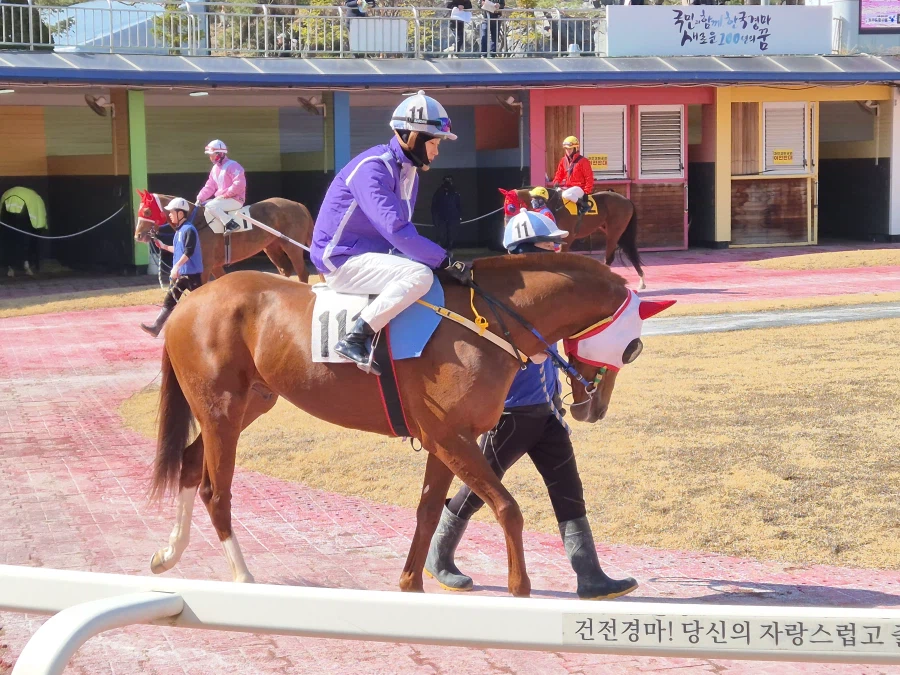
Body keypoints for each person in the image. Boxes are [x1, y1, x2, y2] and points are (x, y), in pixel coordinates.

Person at [424, 207, 639, 601]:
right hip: (510, 415)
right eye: (549, 243)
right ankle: (437, 553)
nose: (557, 249)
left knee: (568, 490)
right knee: (478, 489)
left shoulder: (547, 296)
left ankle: (589, 574)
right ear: (525, 249)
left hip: (546, 411)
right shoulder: (502, 301)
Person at [310, 90, 471, 375]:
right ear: (413, 138)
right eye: (434, 143)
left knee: (424, 270)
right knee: (419, 275)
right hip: (340, 260)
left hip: (367, 253)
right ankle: (356, 336)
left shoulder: (407, 172)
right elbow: (397, 230)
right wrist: (444, 260)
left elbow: (399, 233)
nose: (436, 151)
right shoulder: (372, 168)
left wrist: (437, 260)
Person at [140, 198, 204, 337]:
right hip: (183, 274)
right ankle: (156, 328)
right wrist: (163, 246)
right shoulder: (180, 230)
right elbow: (179, 249)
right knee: (172, 300)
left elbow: (189, 251)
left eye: (172, 212)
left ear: (180, 214)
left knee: (199, 303)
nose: (169, 215)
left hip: (190, 274)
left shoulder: (189, 230)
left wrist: (176, 267)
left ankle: (205, 328)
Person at [196, 140, 246, 234]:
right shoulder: (214, 169)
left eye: (212, 154)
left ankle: (231, 224)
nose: (210, 157)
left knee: (210, 206)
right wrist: (200, 198)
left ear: (220, 154)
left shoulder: (234, 165)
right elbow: (209, 186)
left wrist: (226, 195)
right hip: (223, 199)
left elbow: (239, 184)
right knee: (203, 205)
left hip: (235, 199)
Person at [551, 136, 594, 216]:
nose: (568, 151)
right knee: (554, 193)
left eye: (570, 149)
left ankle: (584, 205)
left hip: (580, 188)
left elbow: (589, 178)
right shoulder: (563, 160)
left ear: (575, 149)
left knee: (565, 195)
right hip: (568, 188)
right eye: (566, 149)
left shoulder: (583, 161)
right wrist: (556, 181)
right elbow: (559, 173)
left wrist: (586, 192)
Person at [431, 175, 461, 251]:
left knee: (451, 234)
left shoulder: (455, 192)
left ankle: (450, 248)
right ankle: (440, 250)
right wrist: (435, 217)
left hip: (452, 216)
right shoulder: (439, 192)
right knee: (441, 234)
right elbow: (434, 205)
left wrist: (459, 216)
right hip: (441, 217)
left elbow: (458, 205)